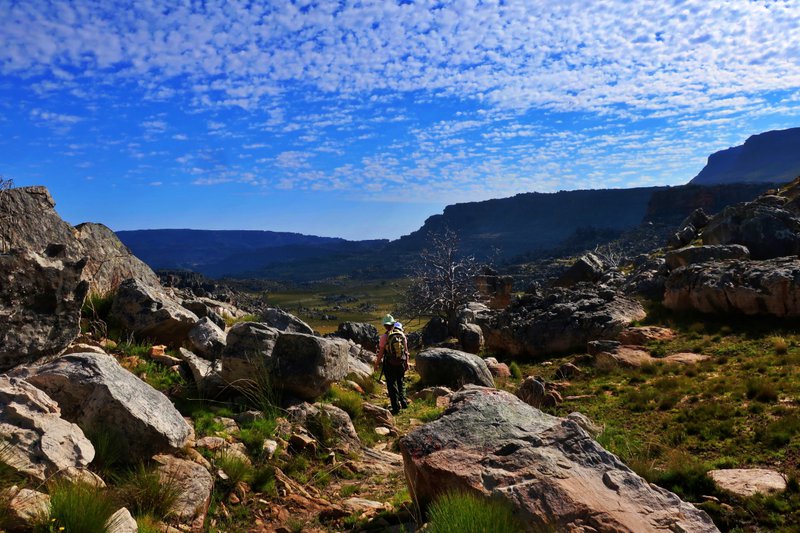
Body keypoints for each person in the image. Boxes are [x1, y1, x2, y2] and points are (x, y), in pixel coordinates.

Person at [374, 314, 409, 414]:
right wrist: (406, 363)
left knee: (391, 384)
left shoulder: (384, 337)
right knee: (401, 382)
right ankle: (404, 402)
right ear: (393, 324)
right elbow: (406, 351)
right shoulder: (402, 335)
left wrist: (376, 364)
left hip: (389, 363)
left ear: (385, 325)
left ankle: (395, 407)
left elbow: (381, 353)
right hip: (401, 362)